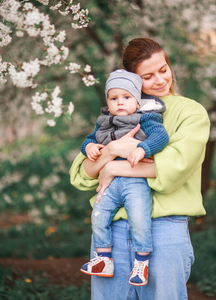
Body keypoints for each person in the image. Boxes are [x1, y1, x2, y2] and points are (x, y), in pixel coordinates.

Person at [70, 37, 210, 300]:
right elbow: (82, 174)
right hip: (111, 234)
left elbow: (176, 167)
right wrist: (111, 152)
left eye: (163, 69)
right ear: (132, 80)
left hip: (164, 229)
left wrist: (112, 169)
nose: (159, 80)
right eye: (148, 76)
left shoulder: (192, 113)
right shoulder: (118, 111)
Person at [79, 69, 169, 287]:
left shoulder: (146, 118)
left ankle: (141, 262)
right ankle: (103, 259)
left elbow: (161, 136)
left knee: (139, 219)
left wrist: (143, 149)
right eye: (114, 98)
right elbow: (89, 140)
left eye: (126, 97)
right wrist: (89, 147)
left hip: (134, 180)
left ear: (137, 101)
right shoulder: (103, 122)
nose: (120, 103)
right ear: (107, 102)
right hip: (109, 184)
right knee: (99, 215)